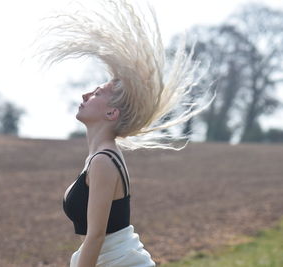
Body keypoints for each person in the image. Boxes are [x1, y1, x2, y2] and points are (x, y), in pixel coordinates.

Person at [36, 0, 215, 266]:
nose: (86, 94)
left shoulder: (103, 162)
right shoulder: (100, 158)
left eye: (97, 93)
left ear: (111, 114)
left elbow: (96, 237)